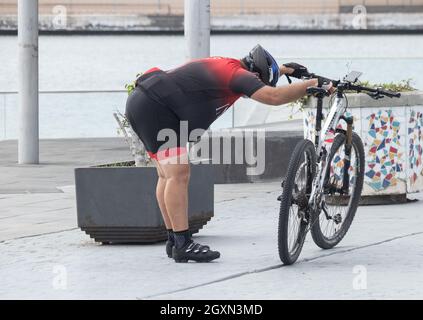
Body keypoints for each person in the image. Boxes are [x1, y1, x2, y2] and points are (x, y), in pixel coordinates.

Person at [125, 44, 333, 263]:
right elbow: (273, 97)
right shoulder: (235, 74)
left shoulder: (232, 67)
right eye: (257, 82)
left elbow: (256, 75)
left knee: (167, 176)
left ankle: (174, 241)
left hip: (144, 101)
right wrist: (312, 84)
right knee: (178, 174)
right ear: (253, 75)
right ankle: (182, 244)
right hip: (157, 107)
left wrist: (284, 70)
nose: (254, 89)